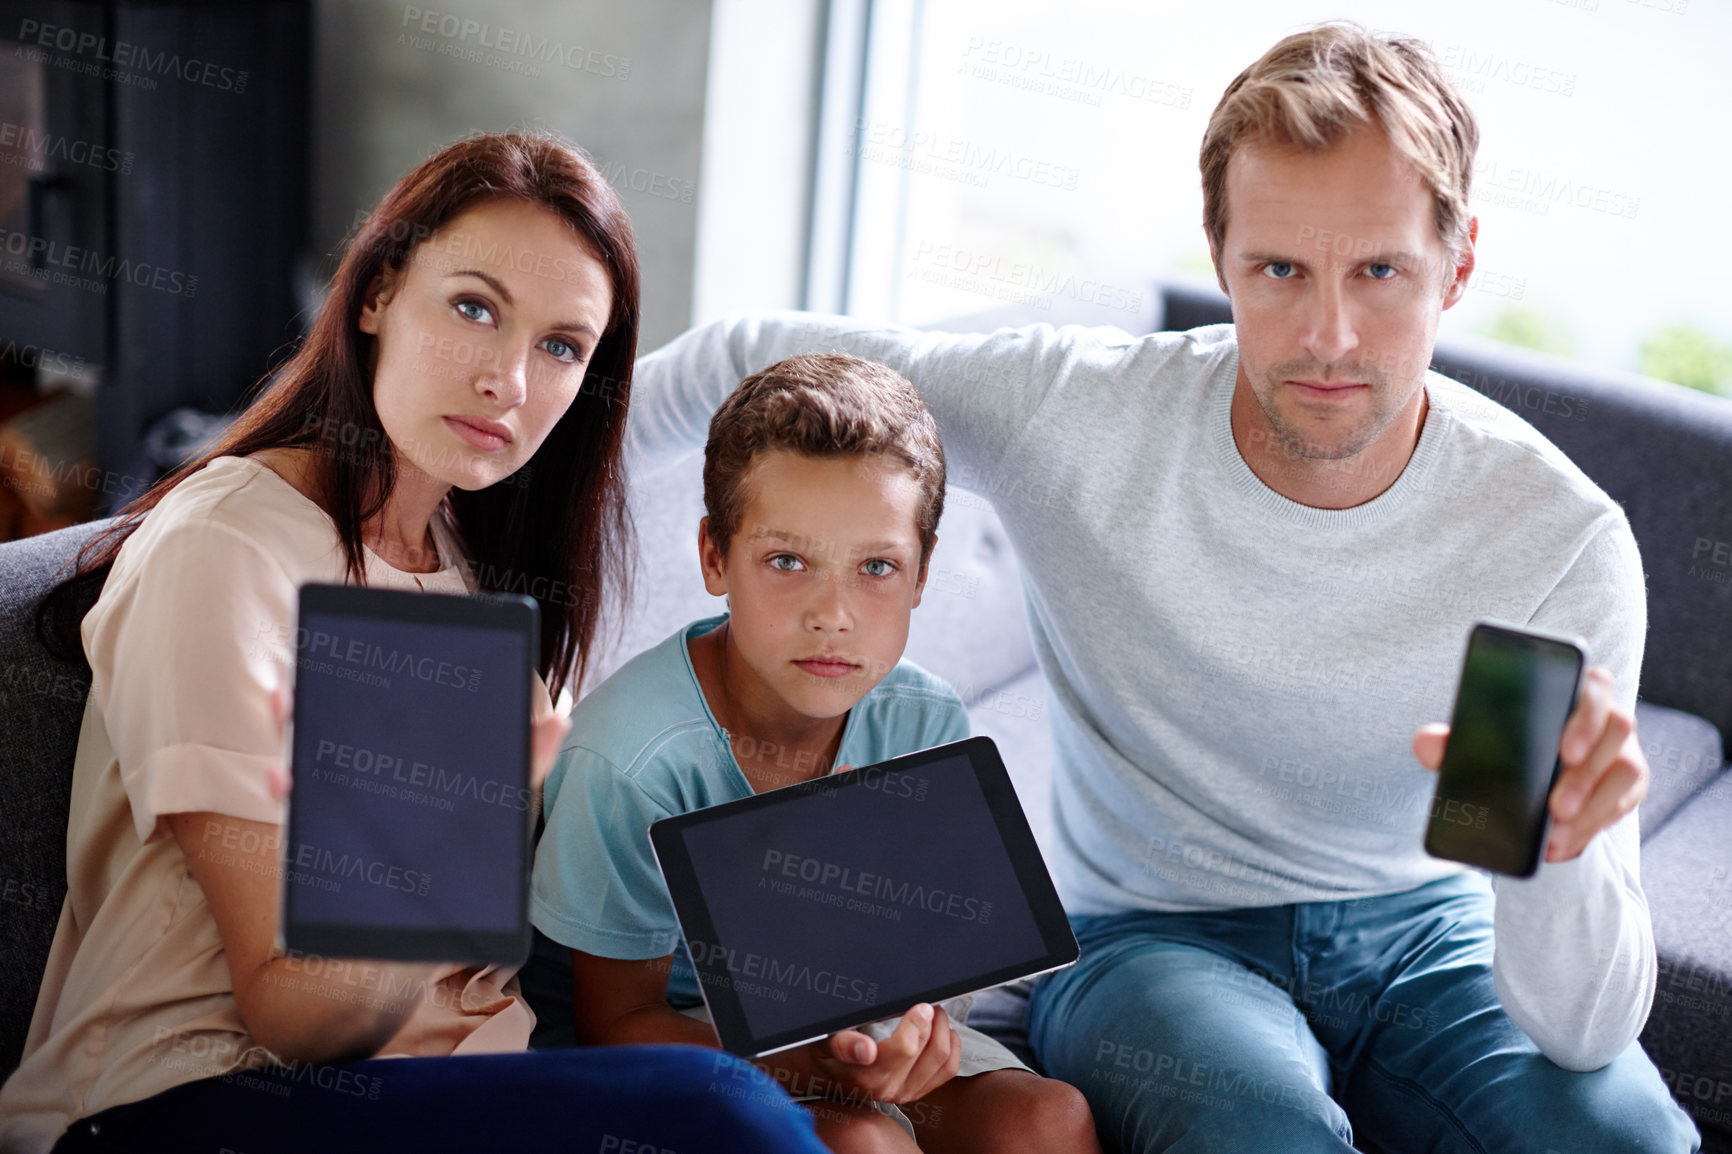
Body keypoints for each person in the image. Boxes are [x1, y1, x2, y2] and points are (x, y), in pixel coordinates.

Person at [616, 25, 1703, 1154]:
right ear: (1221, 255)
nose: (1328, 335)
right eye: (1279, 269)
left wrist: (1560, 860)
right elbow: (739, 355)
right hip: (1153, 935)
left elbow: (1576, 1033)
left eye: (1378, 270)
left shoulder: (1537, 542)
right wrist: (491, 514)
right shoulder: (1082, 419)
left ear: (1459, 264)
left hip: (1428, 930)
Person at [0, 132, 825, 1154]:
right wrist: (435, 831)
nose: (507, 380)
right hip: (186, 1103)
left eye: (561, 347)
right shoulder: (229, 545)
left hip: (451, 1089)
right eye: (474, 307)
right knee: (714, 1111)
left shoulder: (466, 566)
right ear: (379, 295)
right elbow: (294, 1018)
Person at [527, 354, 1099, 1153]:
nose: (833, 615)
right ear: (715, 557)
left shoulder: (925, 722)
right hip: (679, 1049)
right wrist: (813, 1068)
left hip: (849, 1028)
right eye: (787, 562)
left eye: (876, 568)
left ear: (923, 573)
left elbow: (936, 963)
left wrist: (912, 1038)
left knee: (1049, 1120)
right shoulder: (631, 757)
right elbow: (615, 1022)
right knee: (866, 1143)